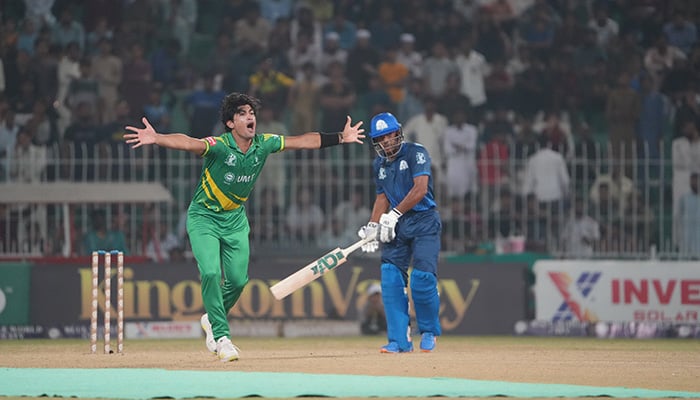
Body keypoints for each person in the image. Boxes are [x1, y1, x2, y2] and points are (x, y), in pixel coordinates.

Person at [124, 92, 365, 362]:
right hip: (204, 218)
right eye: (242, 113)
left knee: (239, 281)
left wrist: (341, 138)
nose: (250, 117)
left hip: (235, 220)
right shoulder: (219, 146)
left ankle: (210, 317)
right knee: (212, 273)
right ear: (230, 123)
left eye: (251, 112)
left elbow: (301, 141)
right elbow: (189, 143)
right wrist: (158, 138)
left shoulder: (264, 144)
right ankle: (222, 336)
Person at [357, 112, 442, 353]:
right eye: (380, 138)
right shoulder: (380, 164)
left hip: (424, 220)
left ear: (398, 132)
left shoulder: (416, 152)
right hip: (396, 225)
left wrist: (392, 215)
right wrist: (373, 226)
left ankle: (428, 331)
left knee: (422, 279)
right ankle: (399, 340)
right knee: (390, 278)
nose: (386, 142)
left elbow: (420, 189)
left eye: (389, 135)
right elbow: (381, 198)